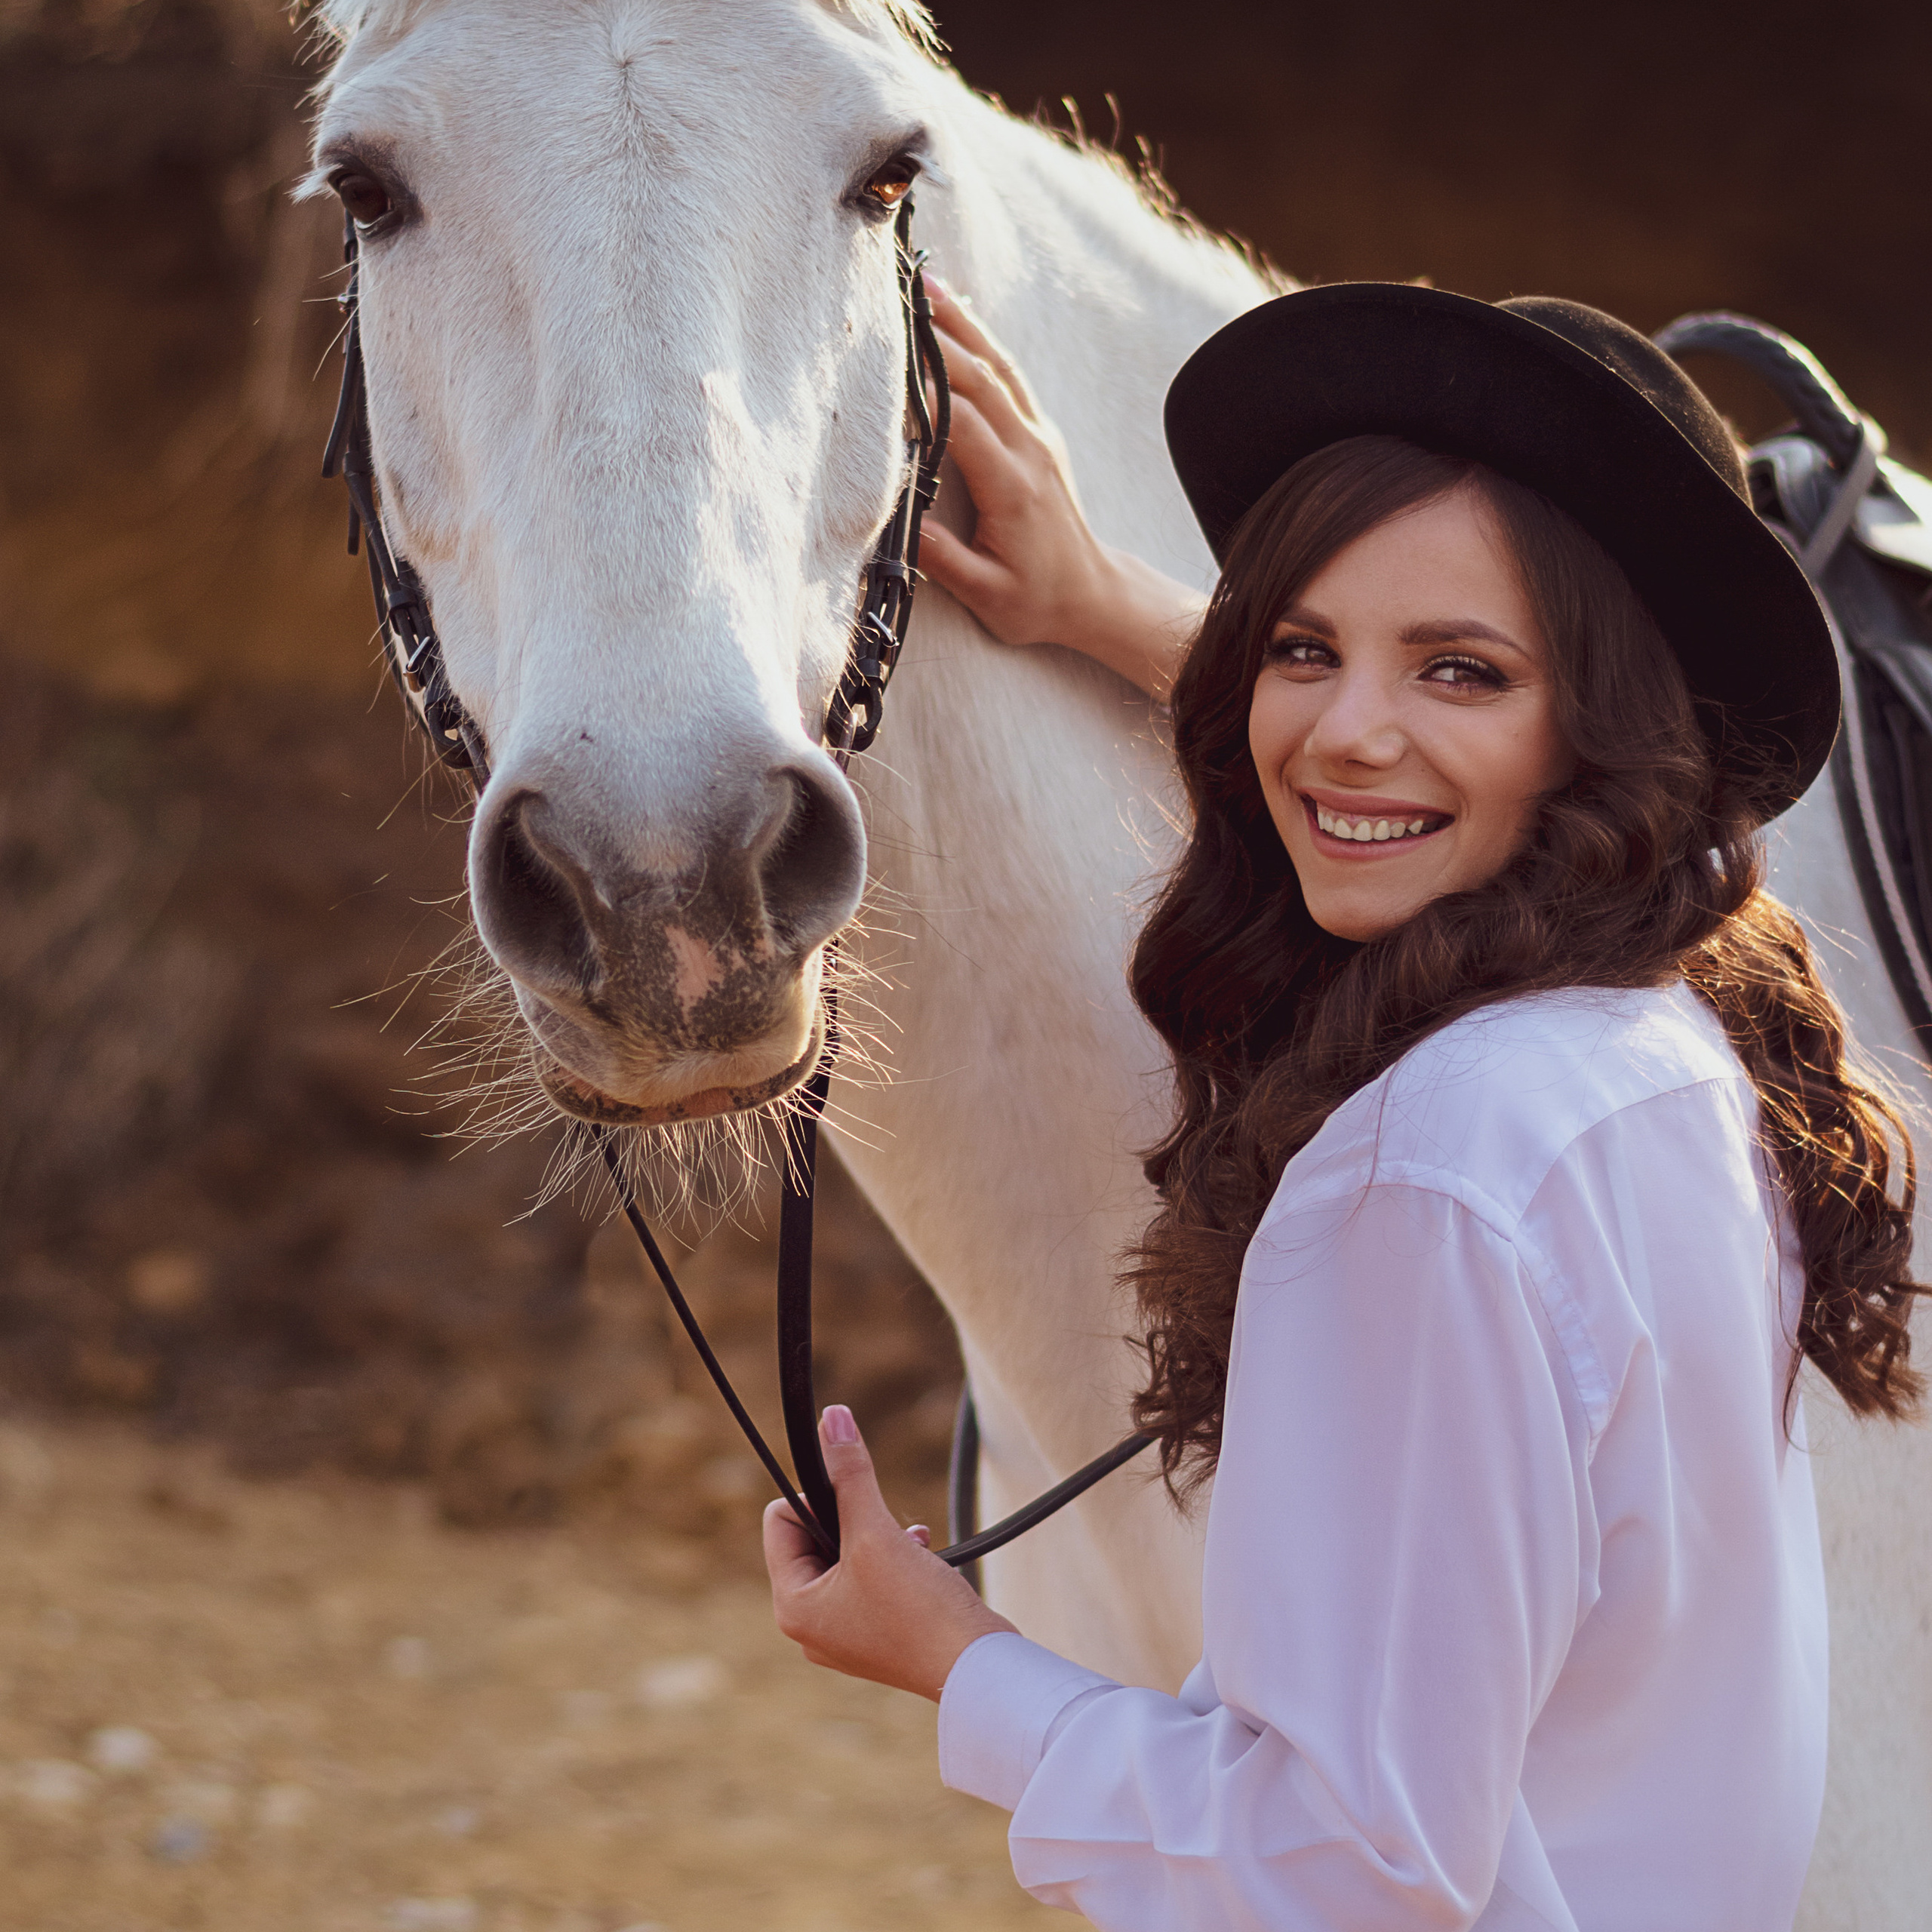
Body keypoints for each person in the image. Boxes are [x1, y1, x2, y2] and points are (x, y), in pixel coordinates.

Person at [763, 281, 1926, 1928]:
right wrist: (1097, 603)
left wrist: (958, 1664)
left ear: (1586, 737)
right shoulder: (1664, 1055)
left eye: (1456, 669)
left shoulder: (1421, 1178)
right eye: (1299, 649)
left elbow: (1353, 1875)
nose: (1347, 731)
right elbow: (1373, 755)